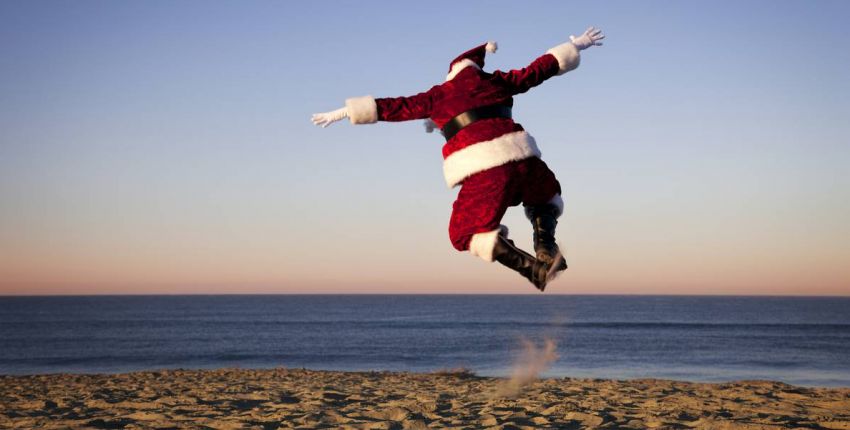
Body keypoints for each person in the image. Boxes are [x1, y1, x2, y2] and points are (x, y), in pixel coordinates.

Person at [312, 27, 604, 291]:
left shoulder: (438, 96)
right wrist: (576, 45)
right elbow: (536, 70)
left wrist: (345, 111)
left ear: (450, 74)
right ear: (476, 69)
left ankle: (535, 271)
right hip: (526, 160)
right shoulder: (497, 81)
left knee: (463, 233)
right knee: (546, 194)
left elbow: (394, 107)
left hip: (487, 169)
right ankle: (546, 246)